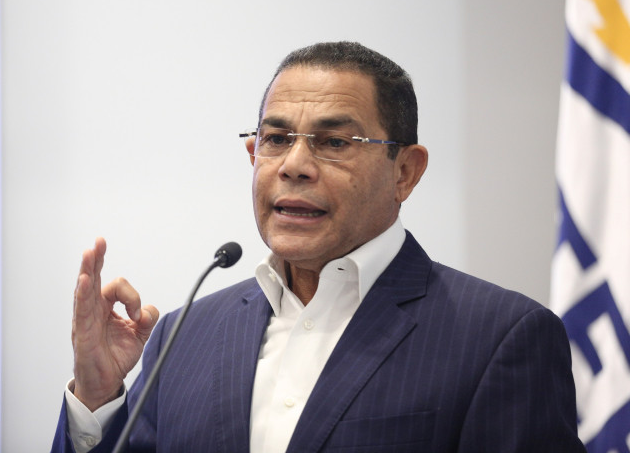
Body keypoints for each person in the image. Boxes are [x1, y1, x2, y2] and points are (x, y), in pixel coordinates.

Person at [51, 41, 585, 452]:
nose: (294, 165)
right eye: (276, 139)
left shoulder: (500, 338)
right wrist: (97, 396)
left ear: (405, 171)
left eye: (334, 142)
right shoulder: (184, 334)